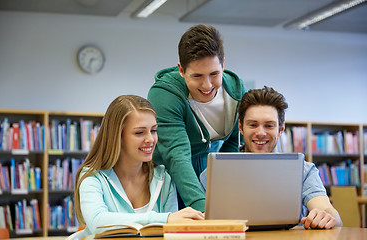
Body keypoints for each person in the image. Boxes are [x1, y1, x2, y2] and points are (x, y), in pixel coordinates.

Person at [200, 86, 342, 229]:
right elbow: (199, 217)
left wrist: (328, 217)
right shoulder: (216, 171)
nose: (260, 133)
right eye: (253, 125)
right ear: (241, 127)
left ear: (281, 128)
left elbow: (328, 211)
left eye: (269, 125)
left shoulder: (303, 170)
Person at [147, 24, 247, 212]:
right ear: (182, 70)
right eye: (197, 76)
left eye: (214, 74)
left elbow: (233, 142)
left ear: (223, 64)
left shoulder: (236, 92)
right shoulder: (165, 95)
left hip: (209, 179)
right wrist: (204, 210)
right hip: (168, 181)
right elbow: (177, 156)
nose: (207, 85)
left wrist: (221, 191)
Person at [74, 95, 204, 235]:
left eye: (153, 130)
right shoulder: (93, 177)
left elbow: (169, 233)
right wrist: (164, 219)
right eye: (139, 132)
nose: (150, 139)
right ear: (117, 136)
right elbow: (97, 222)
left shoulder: (164, 178)